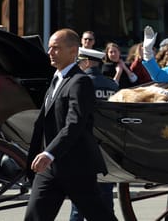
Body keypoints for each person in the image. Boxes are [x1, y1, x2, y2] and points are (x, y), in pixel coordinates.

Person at [24, 28, 117, 221]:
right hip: (50, 169)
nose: (50, 52)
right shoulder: (56, 80)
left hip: (77, 167)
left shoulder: (80, 82)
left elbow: (75, 123)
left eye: (56, 48)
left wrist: (49, 153)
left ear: (73, 51)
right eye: (49, 48)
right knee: (34, 217)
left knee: (99, 216)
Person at [69, 47, 119, 221]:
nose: (78, 65)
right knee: (105, 200)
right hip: (108, 146)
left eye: (80, 62)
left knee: (79, 204)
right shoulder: (113, 85)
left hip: (84, 146)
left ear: (87, 62)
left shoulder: (79, 82)